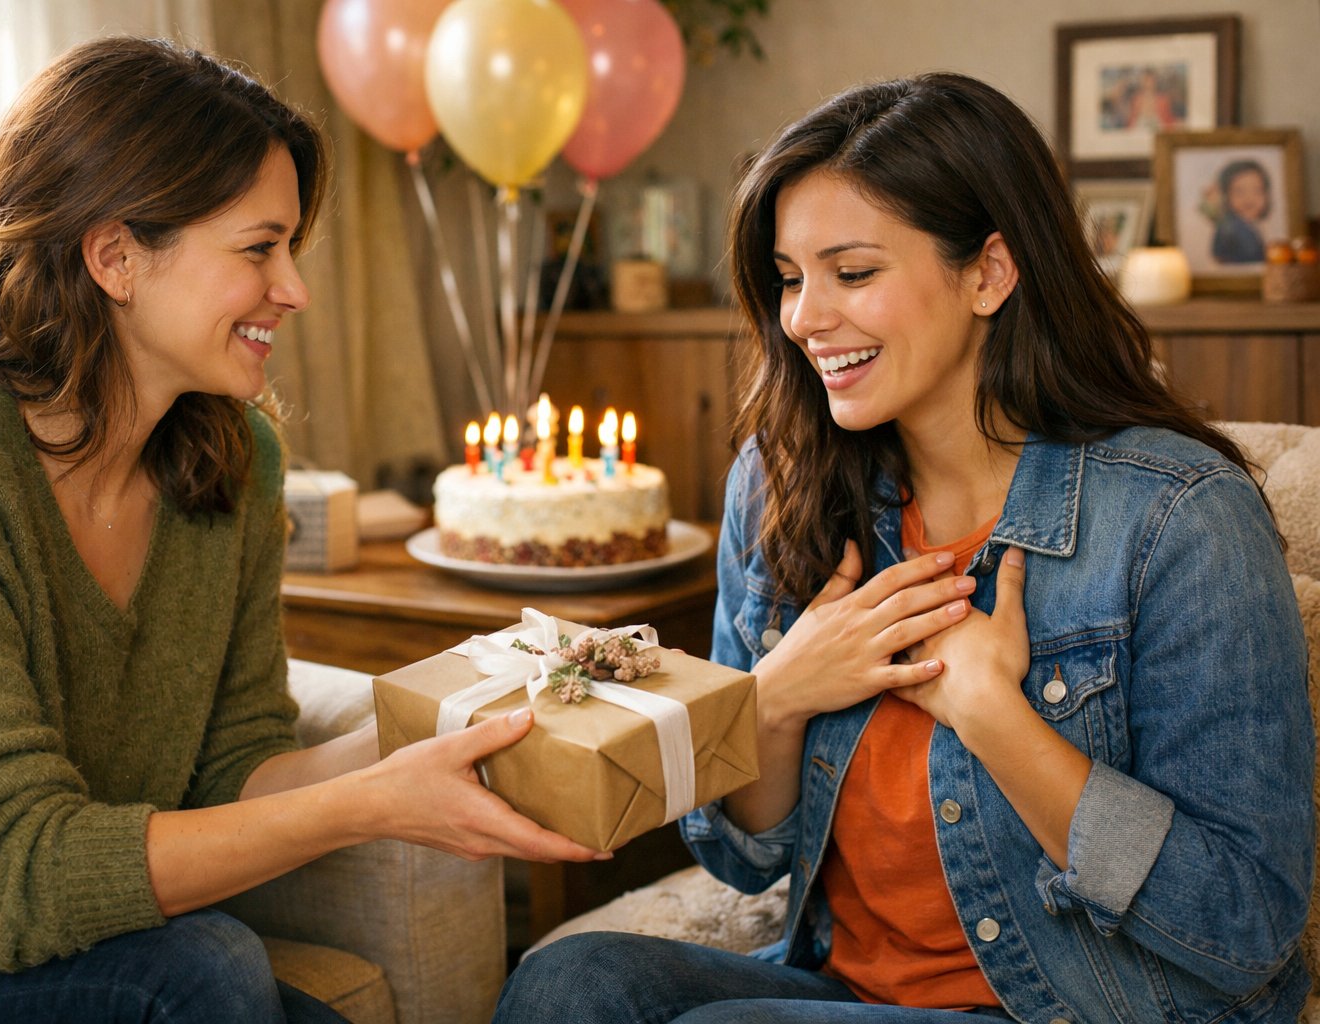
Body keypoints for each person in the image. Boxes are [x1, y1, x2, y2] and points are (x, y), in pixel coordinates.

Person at [0, 36, 606, 1024]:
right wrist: (369, 803)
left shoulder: (228, 456)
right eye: (259, 248)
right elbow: (0, 880)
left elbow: (236, 766)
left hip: (66, 947)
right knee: (203, 969)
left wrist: (473, 708)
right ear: (116, 255)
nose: (295, 288)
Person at [495, 72, 1313, 1023]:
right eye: (791, 280)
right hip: (844, 989)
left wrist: (991, 716)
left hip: (1082, 1007)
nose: (803, 319)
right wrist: (776, 696)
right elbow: (742, 854)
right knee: (566, 980)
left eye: (852, 273)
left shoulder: (1178, 519)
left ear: (989, 273)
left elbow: (1243, 923)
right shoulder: (782, 482)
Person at [1210, 159, 1272, 265]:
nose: (1249, 199)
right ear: (1226, 195)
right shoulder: (1230, 227)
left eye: (1257, 190)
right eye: (1239, 192)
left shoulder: (1247, 225)